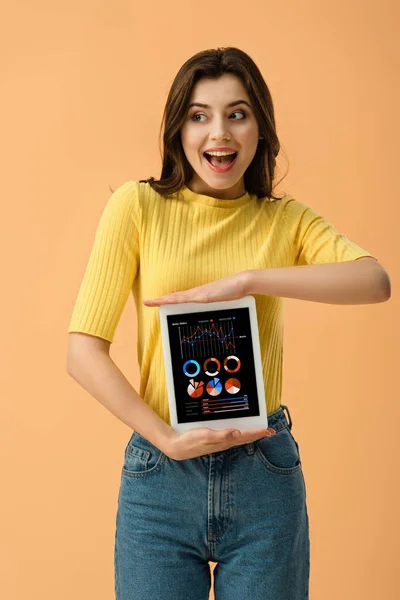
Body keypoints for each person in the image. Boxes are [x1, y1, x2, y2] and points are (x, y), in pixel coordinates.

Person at [66, 47, 390, 600]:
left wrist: (249, 281)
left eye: (238, 113)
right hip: (160, 477)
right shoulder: (136, 207)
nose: (220, 133)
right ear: (178, 128)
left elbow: (375, 280)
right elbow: (82, 351)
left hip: (263, 472)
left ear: (260, 126)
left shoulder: (284, 219)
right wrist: (165, 438)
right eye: (200, 115)